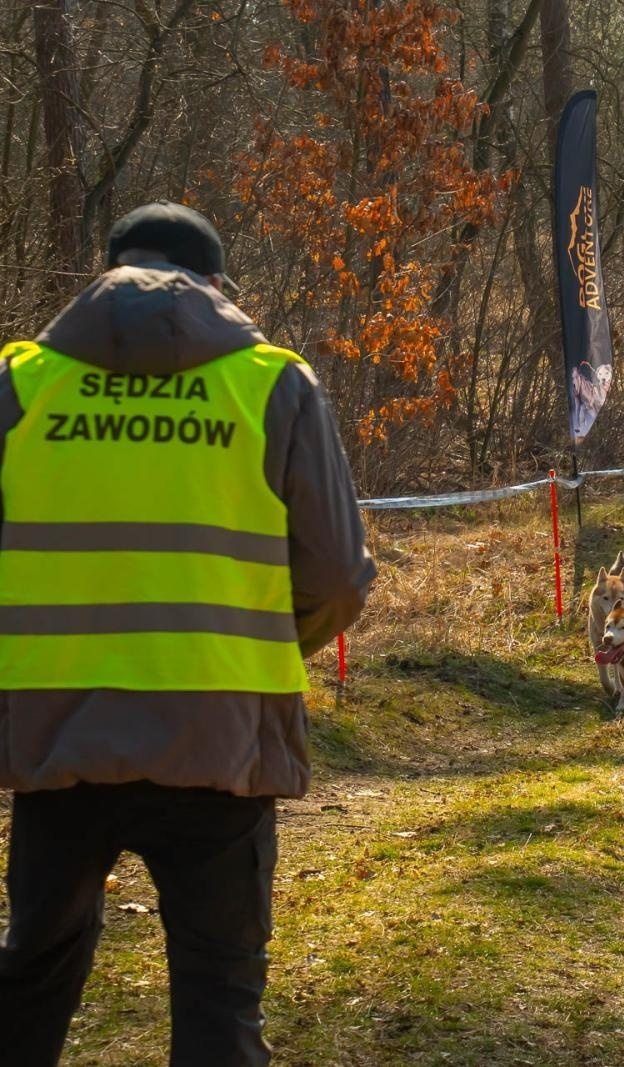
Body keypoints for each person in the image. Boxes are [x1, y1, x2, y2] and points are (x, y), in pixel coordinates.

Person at [0, 200, 377, 1066]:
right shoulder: (275, 383)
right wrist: (257, 649)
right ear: (217, 286)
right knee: (219, 992)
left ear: (104, 273)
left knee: (30, 981)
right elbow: (337, 579)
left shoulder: (21, 384)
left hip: (57, 740)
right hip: (223, 743)